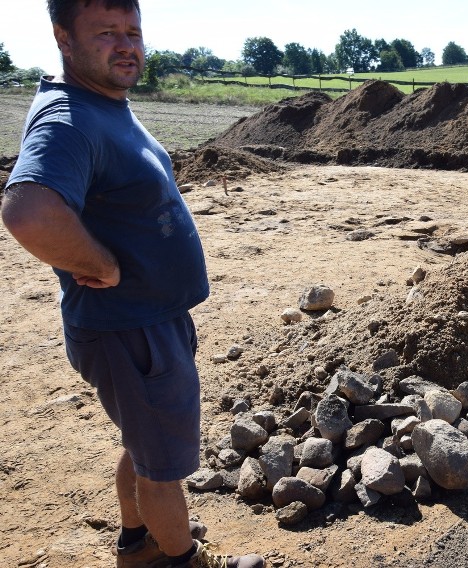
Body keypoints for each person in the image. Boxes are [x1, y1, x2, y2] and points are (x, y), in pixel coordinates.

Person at [1, 1, 265, 567]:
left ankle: (139, 543)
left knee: (145, 446)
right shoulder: (67, 118)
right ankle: (182, 558)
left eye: (133, 32)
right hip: (129, 330)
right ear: (63, 38)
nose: (126, 45)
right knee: (163, 463)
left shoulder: (104, 104)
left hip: (149, 322)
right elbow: (28, 211)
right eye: (106, 33)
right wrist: (102, 263)